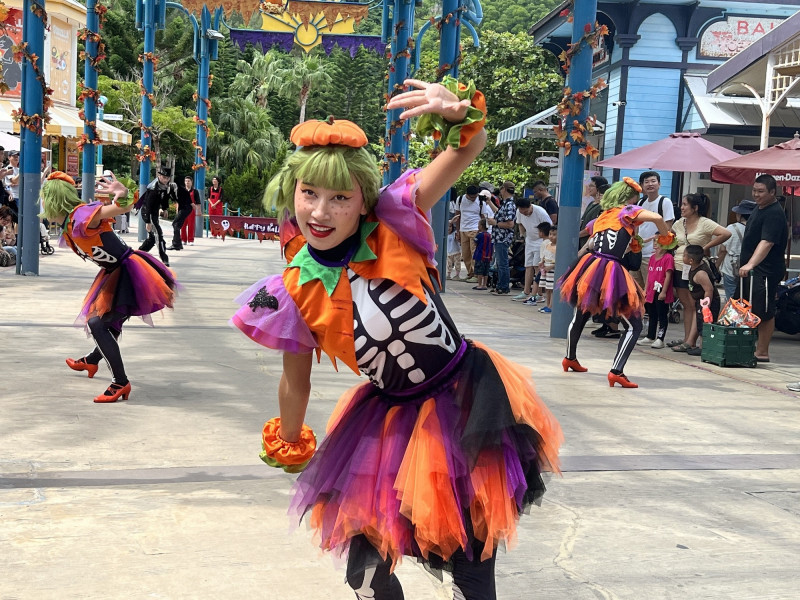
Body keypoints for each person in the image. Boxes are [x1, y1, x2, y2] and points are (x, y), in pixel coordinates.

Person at [230, 78, 562, 600]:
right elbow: (296, 380)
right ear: (290, 191)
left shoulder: (397, 221)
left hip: (464, 402)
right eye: (309, 194)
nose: (319, 213)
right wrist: (288, 439)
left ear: (364, 201)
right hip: (384, 416)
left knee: (471, 564)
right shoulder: (290, 285)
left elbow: (467, 148)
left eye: (340, 198)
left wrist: (456, 118)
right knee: (364, 569)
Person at [40, 172, 178, 403]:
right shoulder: (70, 223)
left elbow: (118, 209)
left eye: (45, 198)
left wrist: (122, 194)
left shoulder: (81, 216)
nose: (43, 204)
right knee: (107, 321)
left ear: (54, 199)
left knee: (98, 323)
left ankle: (120, 383)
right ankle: (92, 360)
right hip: (115, 273)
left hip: (131, 273)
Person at [559, 178, 673, 388]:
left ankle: (569, 358)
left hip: (591, 264)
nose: (638, 203)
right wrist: (666, 236)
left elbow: (597, 243)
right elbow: (657, 217)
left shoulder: (603, 216)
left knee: (581, 313)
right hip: (609, 269)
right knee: (634, 324)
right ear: (629, 198)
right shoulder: (628, 210)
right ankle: (616, 371)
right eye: (636, 198)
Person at [735, 174, 790, 363]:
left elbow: (767, 242)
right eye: (754, 191)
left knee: (764, 311)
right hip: (750, 271)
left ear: (772, 192)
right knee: (742, 307)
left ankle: (762, 351)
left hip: (765, 270)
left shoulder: (774, 213)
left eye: (761, 192)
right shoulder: (759, 208)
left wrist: (751, 263)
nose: (756, 195)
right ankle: (743, 344)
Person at [668, 193, 731, 348]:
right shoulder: (678, 223)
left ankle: (692, 341)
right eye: (681, 204)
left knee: (695, 303)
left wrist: (705, 248)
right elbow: (672, 240)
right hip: (679, 266)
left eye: (685, 205)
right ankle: (687, 339)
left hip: (696, 270)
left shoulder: (705, 223)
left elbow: (726, 233)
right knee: (686, 304)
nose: (681, 208)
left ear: (695, 208)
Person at [672, 245, 720, 355]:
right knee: (700, 322)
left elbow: (709, 290)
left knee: (706, 323)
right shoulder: (693, 267)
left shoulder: (701, 273)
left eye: (684, 255)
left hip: (707, 302)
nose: (682, 257)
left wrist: (706, 305)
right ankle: (695, 343)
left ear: (691, 260)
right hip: (699, 300)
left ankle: (703, 346)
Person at [633, 171, 675, 289]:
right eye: (646, 182)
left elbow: (667, 228)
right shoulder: (641, 202)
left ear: (659, 184)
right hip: (638, 253)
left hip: (654, 254)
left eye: (653, 181)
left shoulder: (665, 202)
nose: (650, 184)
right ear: (641, 185)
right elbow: (636, 226)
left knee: (651, 289)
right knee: (636, 289)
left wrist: (649, 239)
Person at [637, 236, 676, 348]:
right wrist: (645, 289)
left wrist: (664, 292)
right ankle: (650, 336)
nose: (655, 244)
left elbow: (668, 275)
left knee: (662, 315)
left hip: (661, 291)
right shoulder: (652, 257)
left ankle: (660, 338)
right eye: (654, 241)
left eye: (658, 242)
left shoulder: (668, 258)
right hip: (651, 291)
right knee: (652, 314)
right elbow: (649, 274)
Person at [512, 197, 551, 304]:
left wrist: (546, 243)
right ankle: (526, 291)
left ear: (530, 207)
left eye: (526, 211)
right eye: (522, 211)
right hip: (529, 240)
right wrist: (522, 235)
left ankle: (539, 294)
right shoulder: (519, 212)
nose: (524, 213)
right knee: (528, 266)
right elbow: (520, 223)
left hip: (540, 241)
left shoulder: (540, 212)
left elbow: (549, 227)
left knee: (537, 266)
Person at [138, 166, 177, 266]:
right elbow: (147, 205)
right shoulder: (153, 188)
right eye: (164, 177)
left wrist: (165, 209)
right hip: (148, 212)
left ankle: (139, 254)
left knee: (152, 238)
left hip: (154, 212)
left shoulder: (167, 186)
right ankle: (164, 257)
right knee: (158, 234)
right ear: (159, 176)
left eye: (167, 178)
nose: (166, 180)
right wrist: (148, 221)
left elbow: (165, 199)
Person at [717, 199, 754, 300]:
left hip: (731, 268)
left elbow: (723, 250)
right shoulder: (756, 228)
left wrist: (717, 266)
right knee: (747, 298)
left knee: (732, 299)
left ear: (740, 215)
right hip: (750, 267)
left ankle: (734, 314)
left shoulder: (731, 228)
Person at [457, 184, 493, 282]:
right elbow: (458, 215)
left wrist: (483, 231)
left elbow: (483, 217)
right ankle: (470, 272)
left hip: (475, 229)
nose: (473, 199)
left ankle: (477, 275)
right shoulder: (460, 199)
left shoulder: (481, 202)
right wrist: (457, 231)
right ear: (466, 195)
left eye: (475, 197)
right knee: (465, 254)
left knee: (475, 253)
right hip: (463, 229)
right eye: (471, 197)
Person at [486, 181, 516, 295]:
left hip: (502, 238)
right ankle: (500, 285)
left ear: (504, 189)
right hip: (499, 237)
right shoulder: (506, 203)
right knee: (500, 262)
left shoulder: (509, 205)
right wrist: (489, 203)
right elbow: (500, 213)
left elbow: (510, 224)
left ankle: (503, 287)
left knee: (502, 263)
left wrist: (496, 223)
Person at [168, 174, 195, 251]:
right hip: (183, 209)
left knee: (175, 224)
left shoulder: (181, 191)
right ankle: (178, 243)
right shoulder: (179, 190)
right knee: (178, 225)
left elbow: (190, 203)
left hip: (185, 209)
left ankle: (176, 244)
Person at [578, 176, 608, 244]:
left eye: (591, 186)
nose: (588, 188)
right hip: (581, 243)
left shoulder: (602, 207)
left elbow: (593, 227)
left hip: (590, 244)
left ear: (599, 188)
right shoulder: (591, 203)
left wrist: (576, 235)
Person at [538, 224, 557, 313]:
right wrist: (542, 262)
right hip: (546, 269)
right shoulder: (547, 245)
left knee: (552, 288)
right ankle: (547, 304)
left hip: (552, 269)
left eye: (554, 235)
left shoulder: (558, 247)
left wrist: (551, 266)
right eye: (550, 234)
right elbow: (545, 255)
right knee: (547, 288)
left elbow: (558, 260)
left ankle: (551, 305)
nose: (551, 236)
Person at [472, 217, 492, 290]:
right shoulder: (489, 235)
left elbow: (474, 242)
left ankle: (479, 284)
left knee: (479, 271)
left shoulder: (479, 235)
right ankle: (484, 284)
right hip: (488, 256)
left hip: (480, 255)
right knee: (486, 271)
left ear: (481, 226)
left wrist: (476, 234)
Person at [181, 175, 201, 245]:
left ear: (191, 182)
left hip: (191, 211)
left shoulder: (195, 191)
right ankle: (183, 239)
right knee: (183, 225)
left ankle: (190, 240)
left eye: (188, 181)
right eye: (186, 181)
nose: (187, 182)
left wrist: (199, 211)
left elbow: (198, 202)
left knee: (191, 225)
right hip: (183, 210)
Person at [446, 214, 461, 280]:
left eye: (450, 227)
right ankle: (448, 274)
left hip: (456, 251)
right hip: (449, 252)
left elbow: (457, 238)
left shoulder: (454, 233)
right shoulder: (445, 235)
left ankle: (457, 275)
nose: (449, 228)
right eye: (448, 227)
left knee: (457, 263)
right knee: (449, 264)